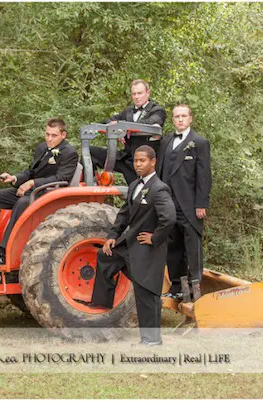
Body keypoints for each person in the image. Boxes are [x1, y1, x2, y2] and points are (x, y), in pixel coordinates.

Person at [88, 145, 176, 345]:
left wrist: (154, 238)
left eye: (142, 161)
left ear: (153, 162)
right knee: (105, 256)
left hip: (148, 249)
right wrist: (113, 235)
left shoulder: (159, 188)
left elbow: (169, 218)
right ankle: (102, 303)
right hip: (129, 244)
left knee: (146, 293)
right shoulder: (136, 185)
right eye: (136, 161)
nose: (137, 164)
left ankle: (152, 340)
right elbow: (125, 214)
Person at [0, 118, 78, 264]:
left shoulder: (69, 153)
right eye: (47, 134)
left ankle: (5, 250)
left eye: (53, 135)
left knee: (22, 203)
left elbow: (62, 178)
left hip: (49, 193)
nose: (49, 139)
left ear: (63, 135)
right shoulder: (41, 148)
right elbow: (31, 171)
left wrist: (32, 183)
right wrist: (15, 178)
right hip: (33, 189)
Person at [156, 104, 212, 298]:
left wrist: (201, 204)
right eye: (176, 116)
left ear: (190, 119)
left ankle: (195, 292)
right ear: (173, 120)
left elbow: (204, 176)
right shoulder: (165, 141)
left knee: (192, 249)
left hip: (189, 206)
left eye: (183, 116)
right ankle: (177, 288)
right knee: (173, 247)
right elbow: (160, 171)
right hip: (168, 205)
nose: (180, 119)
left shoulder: (199, 142)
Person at [90, 79, 167, 184]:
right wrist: (118, 128)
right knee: (91, 151)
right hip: (126, 157)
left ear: (147, 93)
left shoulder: (157, 110)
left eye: (139, 93)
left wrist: (125, 127)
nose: (136, 96)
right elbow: (107, 121)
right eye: (134, 94)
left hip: (144, 162)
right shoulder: (128, 111)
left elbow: (150, 122)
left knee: (138, 193)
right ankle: (90, 185)